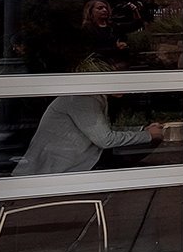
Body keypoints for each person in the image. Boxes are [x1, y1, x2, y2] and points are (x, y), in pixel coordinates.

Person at [15, 59, 163, 176]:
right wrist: (147, 136)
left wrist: (143, 129)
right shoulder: (83, 99)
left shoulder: (92, 96)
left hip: (77, 158)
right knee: (144, 170)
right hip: (61, 167)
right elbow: (105, 139)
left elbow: (104, 131)